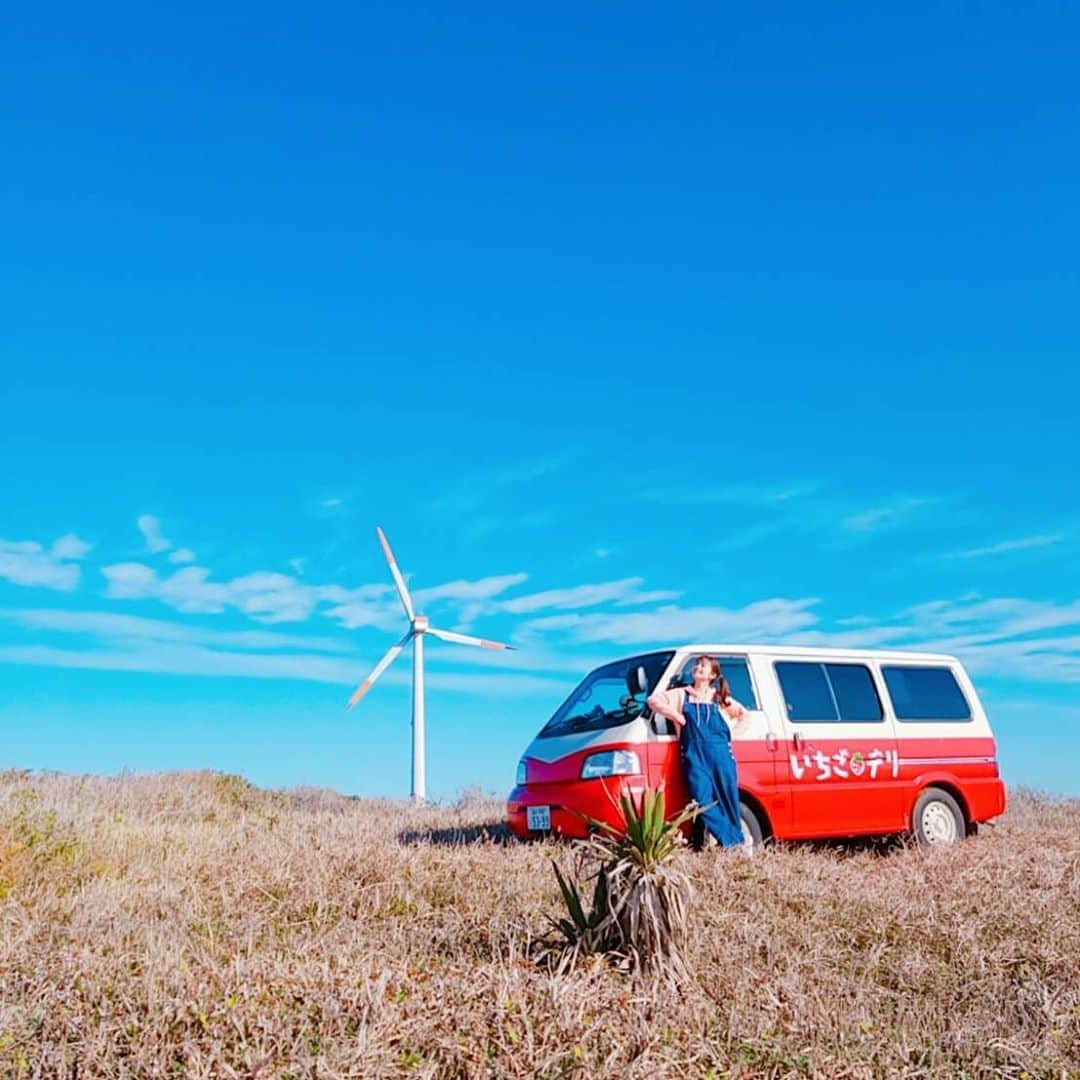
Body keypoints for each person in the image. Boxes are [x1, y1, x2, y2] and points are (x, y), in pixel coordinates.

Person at [647, 656, 747, 849]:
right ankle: (734, 841)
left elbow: (745, 716)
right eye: (697, 665)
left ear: (713, 675)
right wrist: (677, 716)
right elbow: (653, 700)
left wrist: (731, 736)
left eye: (703, 666)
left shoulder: (719, 698)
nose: (698, 668)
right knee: (701, 800)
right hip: (694, 755)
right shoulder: (681, 694)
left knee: (728, 799)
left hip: (722, 756)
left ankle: (731, 845)